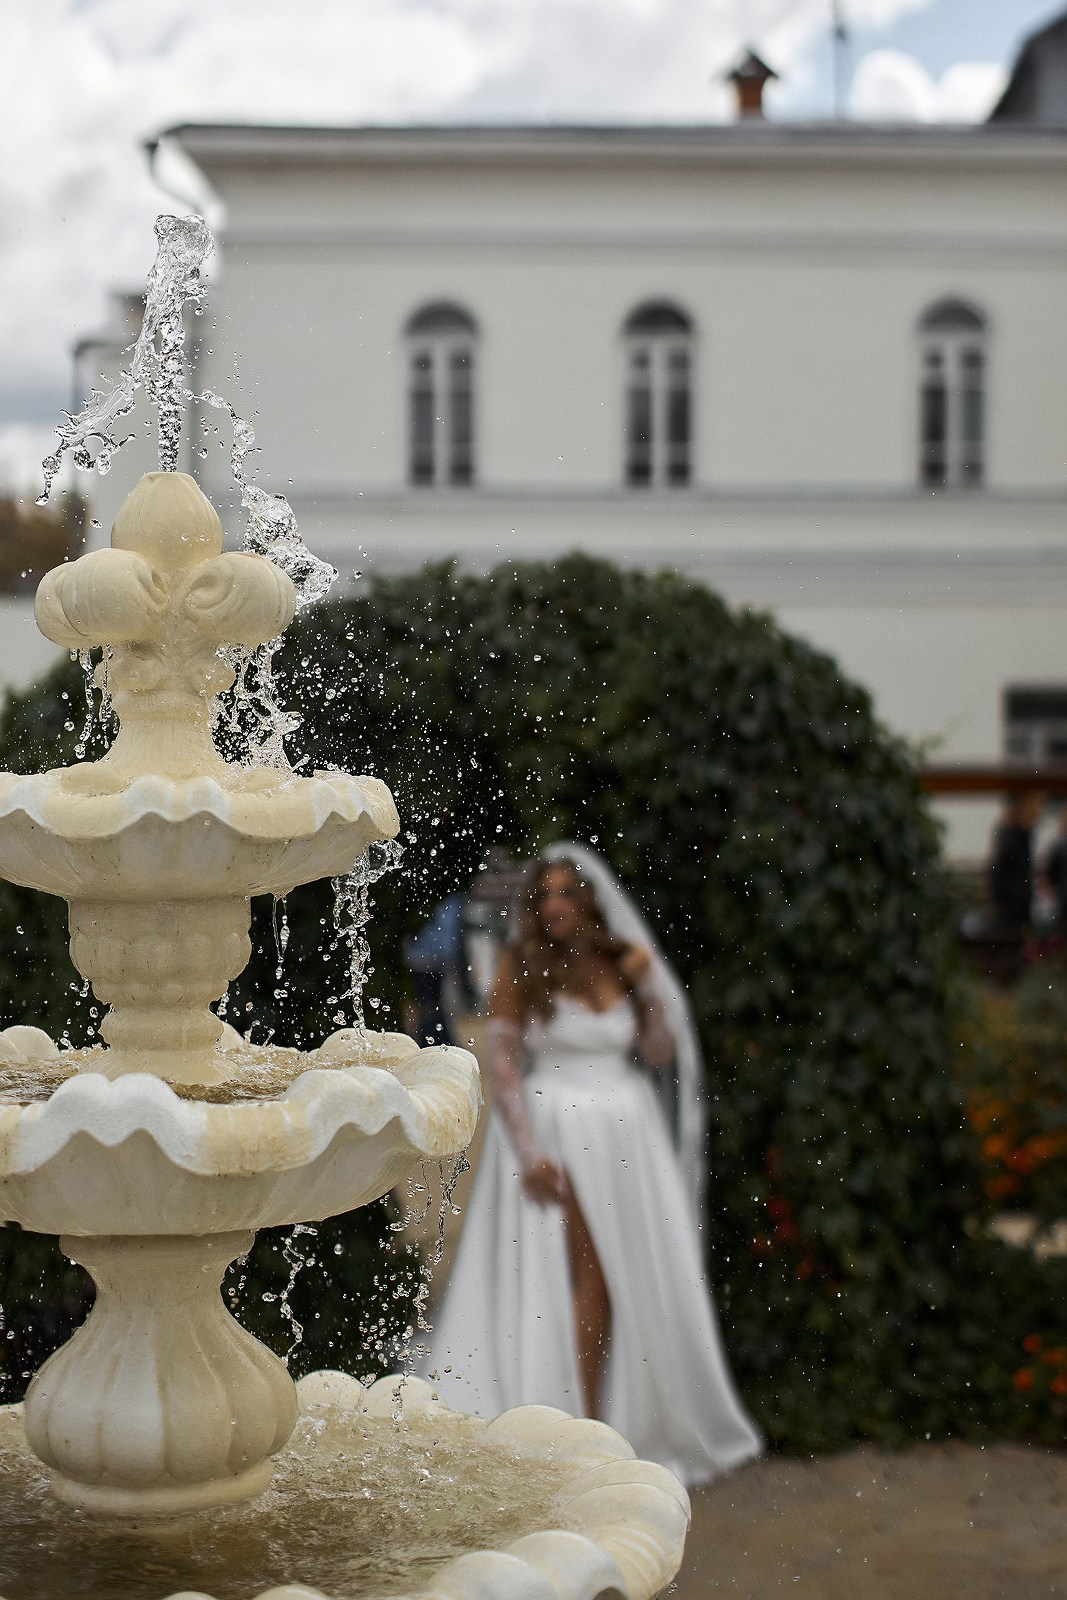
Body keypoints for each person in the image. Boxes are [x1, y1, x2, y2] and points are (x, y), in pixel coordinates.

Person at [422, 842, 761, 1486]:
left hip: (627, 1130)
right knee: (587, 1271)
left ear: (588, 901)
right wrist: (528, 1154)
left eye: (565, 893)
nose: (554, 906)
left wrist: (649, 985)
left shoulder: (619, 963)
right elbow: (503, 1066)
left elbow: (659, 1052)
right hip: (558, 1123)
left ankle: (621, 1414)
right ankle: (585, 1424)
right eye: (543, 895)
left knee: (634, 1269)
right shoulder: (521, 965)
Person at [988, 791, 1043, 931]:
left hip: (1016, 909)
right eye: (1034, 804)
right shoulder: (1012, 837)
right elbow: (1001, 875)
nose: (1038, 810)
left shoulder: (1021, 835)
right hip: (1012, 912)